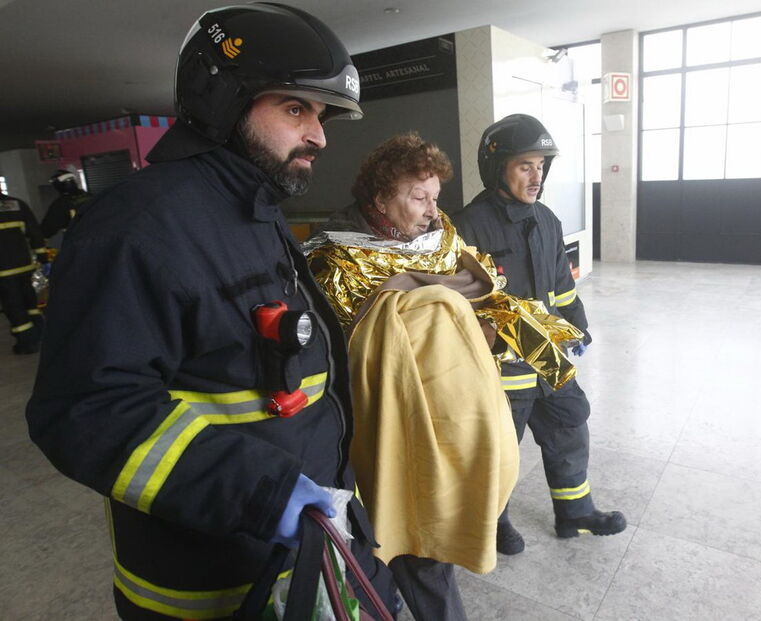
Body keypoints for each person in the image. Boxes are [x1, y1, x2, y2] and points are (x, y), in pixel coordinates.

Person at [26, 5, 395, 620]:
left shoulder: (252, 208)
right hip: (201, 588)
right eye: (296, 108)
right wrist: (264, 492)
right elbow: (85, 410)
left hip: (288, 556)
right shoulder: (136, 227)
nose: (320, 135)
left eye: (322, 114)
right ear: (222, 99)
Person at [308, 133, 525, 621]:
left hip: (454, 399)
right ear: (381, 197)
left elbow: (477, 285)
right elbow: (345, 340)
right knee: (412, 528)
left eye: (435, 197)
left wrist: (479, 325)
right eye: (418, 197)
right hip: (387, 412)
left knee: (447, 503)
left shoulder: (438, 231)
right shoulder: (335, 253)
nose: (431, 211)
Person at [452, 114, 626, 555]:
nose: (537, 175)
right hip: (501, 368)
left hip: (549, 359)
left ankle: (575, 513)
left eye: (542, 165)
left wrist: (578, 329)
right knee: (498, 450)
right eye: (525, 165)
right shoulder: (468, 227)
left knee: (570, 427)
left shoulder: (546, 219)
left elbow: (562, 287)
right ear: (497, 168)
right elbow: (459, 306)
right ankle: (492, 523)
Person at [0, 190, 48, 354]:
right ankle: (41, 333)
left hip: (3, 271)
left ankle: (27, 342)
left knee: (13, 305)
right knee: (30, 302)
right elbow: (34, 231)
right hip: (25, 265)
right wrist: (42, 256)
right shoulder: (17, 203)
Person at [42, 169, 92, 239]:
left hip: (81, 240)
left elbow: (48, 228)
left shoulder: (61, 203)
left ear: (58, 186)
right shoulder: (91, 196)